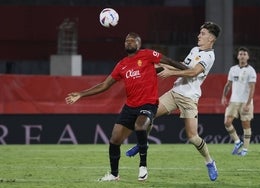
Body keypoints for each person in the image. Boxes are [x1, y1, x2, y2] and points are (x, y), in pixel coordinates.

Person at [65, 32, 187, 181]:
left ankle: (143, 167)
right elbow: (105, 85)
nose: (128, 42)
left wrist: (188, 70)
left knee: (140, 126)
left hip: (148, 103)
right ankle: (114, 174)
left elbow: (169, 60)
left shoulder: (148, 55)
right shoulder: (122, 65)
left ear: (139, 44)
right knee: (115, 139)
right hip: (130, 106)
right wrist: (81, 94)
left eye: (132, 40)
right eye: (126, 41)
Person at [126, 22, 221, 181]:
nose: (199, 35)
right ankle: (144, 144)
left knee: (192, 137)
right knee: (148, 114)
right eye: (200, 32)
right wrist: (162, 64)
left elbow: (193, 72)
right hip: (175, 92)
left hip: (189, 98)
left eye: (203, 33)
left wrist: (170, 72)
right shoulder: (194, 50)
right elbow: (184, 65)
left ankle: (209, 162)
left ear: (211, 38)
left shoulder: (209, 56)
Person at [221, 47, 257, 156]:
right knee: (227, 122)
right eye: (240, 54)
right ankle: (237, 141)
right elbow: (228, 84)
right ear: (237, 56)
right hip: (234, 100)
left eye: (244, 54)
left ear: (248, 57)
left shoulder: (251, 70)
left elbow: (252, 88)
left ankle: (245, 150)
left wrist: (248, 103)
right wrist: (223, 96)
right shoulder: (233, 69)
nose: (242, 56)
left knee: (245, 125)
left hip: (245, 102)